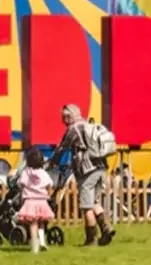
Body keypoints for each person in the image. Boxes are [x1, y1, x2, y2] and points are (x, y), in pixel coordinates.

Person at [49, 104, 114, 246]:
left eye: (64, 117)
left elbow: (61, 149)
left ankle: (91, 240)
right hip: (101, 168)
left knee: (86, 207)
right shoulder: (88, 125)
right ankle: (106, 228)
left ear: (69, 116)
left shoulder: (73, 129)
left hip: (87, 171)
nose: (62, 120)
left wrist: (52, 163)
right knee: (94, 201)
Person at [16, 148, 55, 253]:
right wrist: (49, 194)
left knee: (33, 224)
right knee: (41, 222)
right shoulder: (43, 173)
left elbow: (20, 184)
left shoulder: (26, 172)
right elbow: (50, 184)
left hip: (30, 201)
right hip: (42, 201)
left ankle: (34, 245)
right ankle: (42, 241)